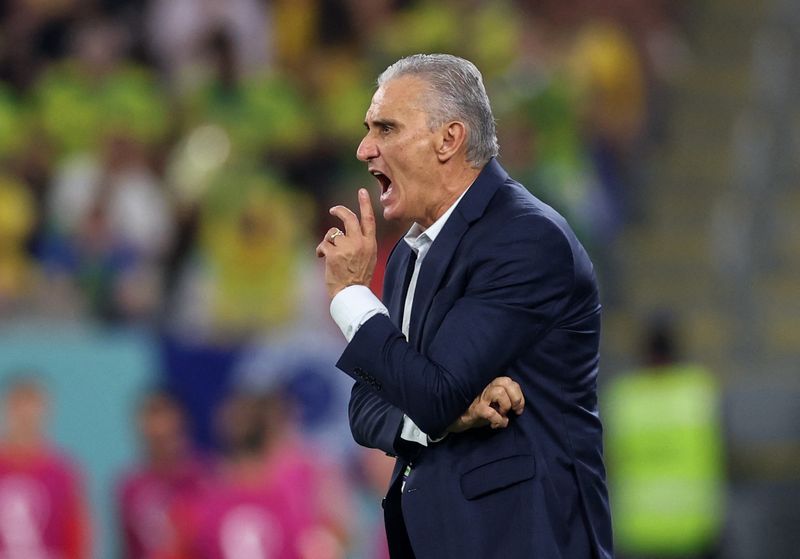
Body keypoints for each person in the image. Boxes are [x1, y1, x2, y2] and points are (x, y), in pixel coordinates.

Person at [316, 53, 612, 558]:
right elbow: (366, 410)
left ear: (448, 139)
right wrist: (446, 419)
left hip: (525, 539)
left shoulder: (525, 238)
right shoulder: (411, 255)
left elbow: (430, 393)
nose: (365, 149)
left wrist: (350, 295)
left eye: (386, 128)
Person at [603, 315, 725, 559]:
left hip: (638, 531)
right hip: (695, 529)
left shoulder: (622, 396)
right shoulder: (699, 391)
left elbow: (608, 462)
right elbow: (722, 453)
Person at [0, 375, 91, 559]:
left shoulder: (63, 472)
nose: (25, 414)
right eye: (18, 404)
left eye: (33, 405)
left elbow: (77, 535)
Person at [117, 389, 208, 559]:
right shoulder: (131, 486)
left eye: (162, 416)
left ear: (180, 421)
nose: (157, 428)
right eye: (149, 417)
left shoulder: (204, 478)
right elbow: (128, 548)